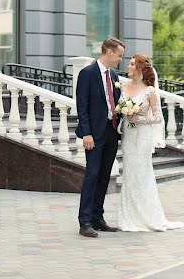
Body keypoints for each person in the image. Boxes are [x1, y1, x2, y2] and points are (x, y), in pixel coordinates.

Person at [116, 54, 184, 232]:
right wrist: (126, 114)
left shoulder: (150, 91)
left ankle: (147, 216)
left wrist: (136, 117)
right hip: (128, 135)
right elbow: (119, 109)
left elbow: (156, 118)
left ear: (141, 68)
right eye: (129, 64)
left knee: (142, 173)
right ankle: (129, 217)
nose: (129, 67)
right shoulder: (124, 86)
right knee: (129, 172)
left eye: (133, 64)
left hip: (143, 135)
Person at [75, 37, 125, 238]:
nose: (120, 59)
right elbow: (82, 104)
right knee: (92, 174)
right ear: (109, 52)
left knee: (105, 175)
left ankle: (98, 217)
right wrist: (86, 132)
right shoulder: (87, 73)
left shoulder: (113, 74)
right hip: (94, 134)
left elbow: (116, 101)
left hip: (111, 131)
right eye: (119, 55)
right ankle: (84, 221)